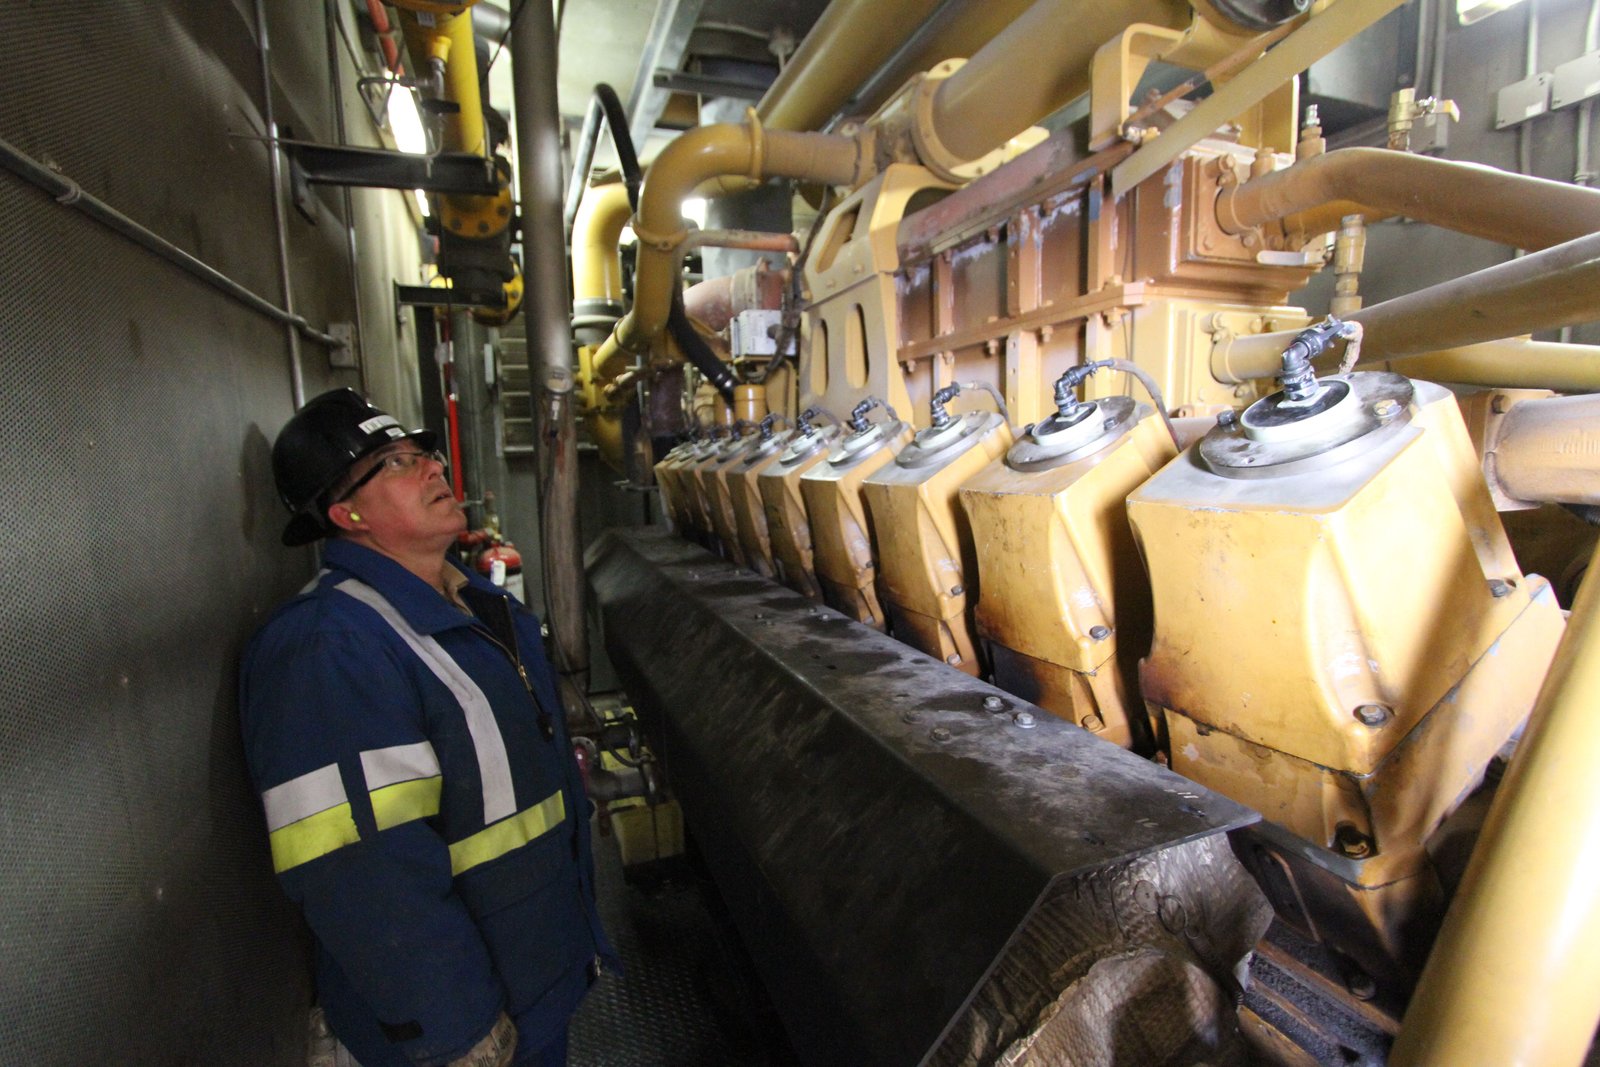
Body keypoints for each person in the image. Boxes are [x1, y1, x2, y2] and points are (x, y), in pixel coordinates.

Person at [240, 388, 614, 1067]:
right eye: (396, 462)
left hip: (533, 986)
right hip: (467, 1029)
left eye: (423, 453)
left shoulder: (477, 603)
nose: (433, 468)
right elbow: (361, 871)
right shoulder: (331, 648)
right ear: (344, 512)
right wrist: (457, 1033)